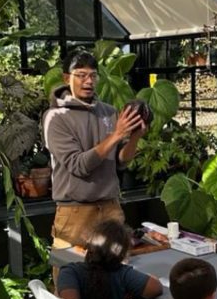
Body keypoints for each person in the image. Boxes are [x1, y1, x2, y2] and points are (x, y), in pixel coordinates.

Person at [42, 47, 147, 249]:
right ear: (66, 78)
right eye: (81, 75)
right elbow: (78, 165)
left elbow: (121, 161)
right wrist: (116, 134)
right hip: (74, 213)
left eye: (93, 75)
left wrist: (134, 137)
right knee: (72, 274)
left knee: (115, 276)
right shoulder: (55, 117)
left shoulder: (108, 112)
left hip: (111, 209)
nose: (88, 81)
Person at [57, 219, 162, 299]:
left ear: (89, 247)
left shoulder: (70, 272)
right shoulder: (123, 273)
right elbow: (155, 288)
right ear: (122, 254)